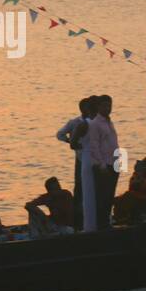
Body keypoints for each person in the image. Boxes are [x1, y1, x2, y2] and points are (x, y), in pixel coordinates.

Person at [57, 97, 94, 230]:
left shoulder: (94, 122)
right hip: (80, 159)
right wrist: (70, 141)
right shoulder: (75, 123)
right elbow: (60, 134)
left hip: (92, 159)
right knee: (79, 187)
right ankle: (78, 218)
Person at [86, 94, 119, 229]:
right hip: (103, 165)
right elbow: (94, 145)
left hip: (114, 162)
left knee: (110, 195)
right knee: (102, 196)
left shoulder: (109, 122)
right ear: (99, 107)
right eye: (105, 105)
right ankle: (102, 225)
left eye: (109, 105)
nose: (108, 108)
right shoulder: (95, 124)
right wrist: (101, 164)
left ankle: (107, 221)